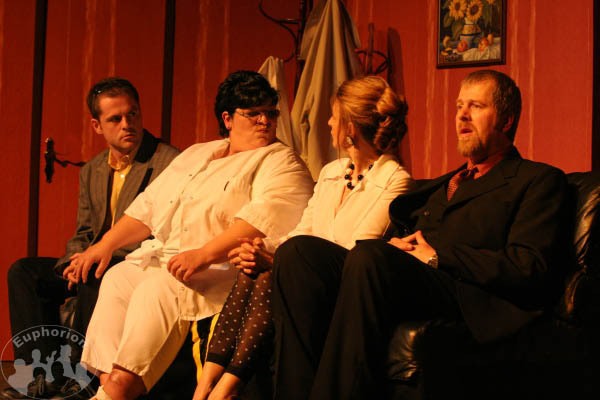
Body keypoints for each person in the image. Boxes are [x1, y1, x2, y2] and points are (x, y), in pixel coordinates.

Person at [271, 70, 570, 399]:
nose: (462, 115)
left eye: (476, 106)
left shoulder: (537, 180)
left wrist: (438, 256)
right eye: (459, 106)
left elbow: (529, 266)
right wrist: (398, 244)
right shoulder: (448, 183)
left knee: (370, 256)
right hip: (414, 280)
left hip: (467, 292)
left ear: (507, 120)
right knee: (298, 254)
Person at [69, 70, 314, 400]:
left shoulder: (282, 161)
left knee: (155, 288)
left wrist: (204, 255)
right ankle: (109, 384)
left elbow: (261, 221)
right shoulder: (201, 152)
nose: (265, 121)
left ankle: (122, 386)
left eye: (271, 112)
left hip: (216, 271)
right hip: (167, 257)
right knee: (118, 277)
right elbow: (149, 207)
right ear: (227, 118)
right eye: (253, 113)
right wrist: (104, 245)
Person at [194, 75, 415, 400]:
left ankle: (224, 388)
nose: (328, 123)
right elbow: (303, 232)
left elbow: (357, 250)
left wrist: (274, 260)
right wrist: (261, 249)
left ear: (350, 127)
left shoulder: (395, 179)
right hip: (303, 277)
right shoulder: (331, 172)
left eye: (334, 117)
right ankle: (208, 386)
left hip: (343, 288)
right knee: (253, 269)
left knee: (271, 271)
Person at [4, 77, 179, 399]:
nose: (127, 124)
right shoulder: (93, 169)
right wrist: (72, 262)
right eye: (115, 118)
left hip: (134, 262)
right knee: (24, 272)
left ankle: (82, 381)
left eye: (133, 114)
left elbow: (161, 229)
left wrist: (94, 256)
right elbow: (84, 231)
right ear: (97, 126)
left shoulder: (168, 162)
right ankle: (40, 378)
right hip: (94, 259)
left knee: (97, 269)